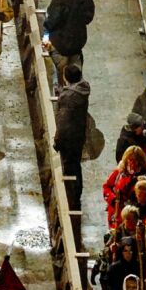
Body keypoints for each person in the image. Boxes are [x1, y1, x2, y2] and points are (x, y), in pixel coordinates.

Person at [53, 60, 90, 215]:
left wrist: (57, 140)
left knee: (69, 168)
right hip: (79, 135)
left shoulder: (67, 98)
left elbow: (63, 121)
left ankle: (72, 200)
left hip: (68, 138)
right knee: (76, 165)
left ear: (66, 77)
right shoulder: (83, 89)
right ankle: (77, 195)